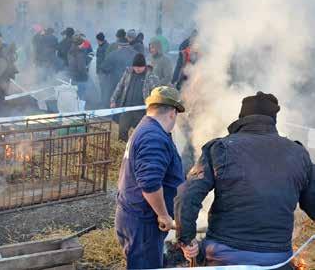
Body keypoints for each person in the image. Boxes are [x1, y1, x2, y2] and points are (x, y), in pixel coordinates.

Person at [175, 92, 315, 267]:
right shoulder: (299, 154)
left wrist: (186, 240)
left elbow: (187, 196)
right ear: (274, 119)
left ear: (242, 117)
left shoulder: (220, 147)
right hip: (277, 259)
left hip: (223, 256)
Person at [115, 86, 185, 269]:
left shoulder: (146, 128)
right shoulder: (153, 136)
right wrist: (163, 215)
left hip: (136, 217)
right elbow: (150, 183)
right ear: (172, 113)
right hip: (143, 223)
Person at [110, 54, 161, 142]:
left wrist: (155, 106)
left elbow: (157, 92)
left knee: (141, 133)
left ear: (144, 66)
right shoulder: (128, 73)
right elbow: (119, 86)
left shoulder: (151, 76)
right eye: (135, 66)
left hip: (142, 111)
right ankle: (123, 148)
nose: (137, 69)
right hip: (126, 109)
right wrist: (113, 100)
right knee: (122, 130)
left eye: (140, 67)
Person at [100, 32, 137, 110]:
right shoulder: (136, 54)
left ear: (119, 45)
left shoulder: (113, 54)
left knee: (116, 107)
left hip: (116, 84)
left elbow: (104, 68)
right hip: (132, 84)